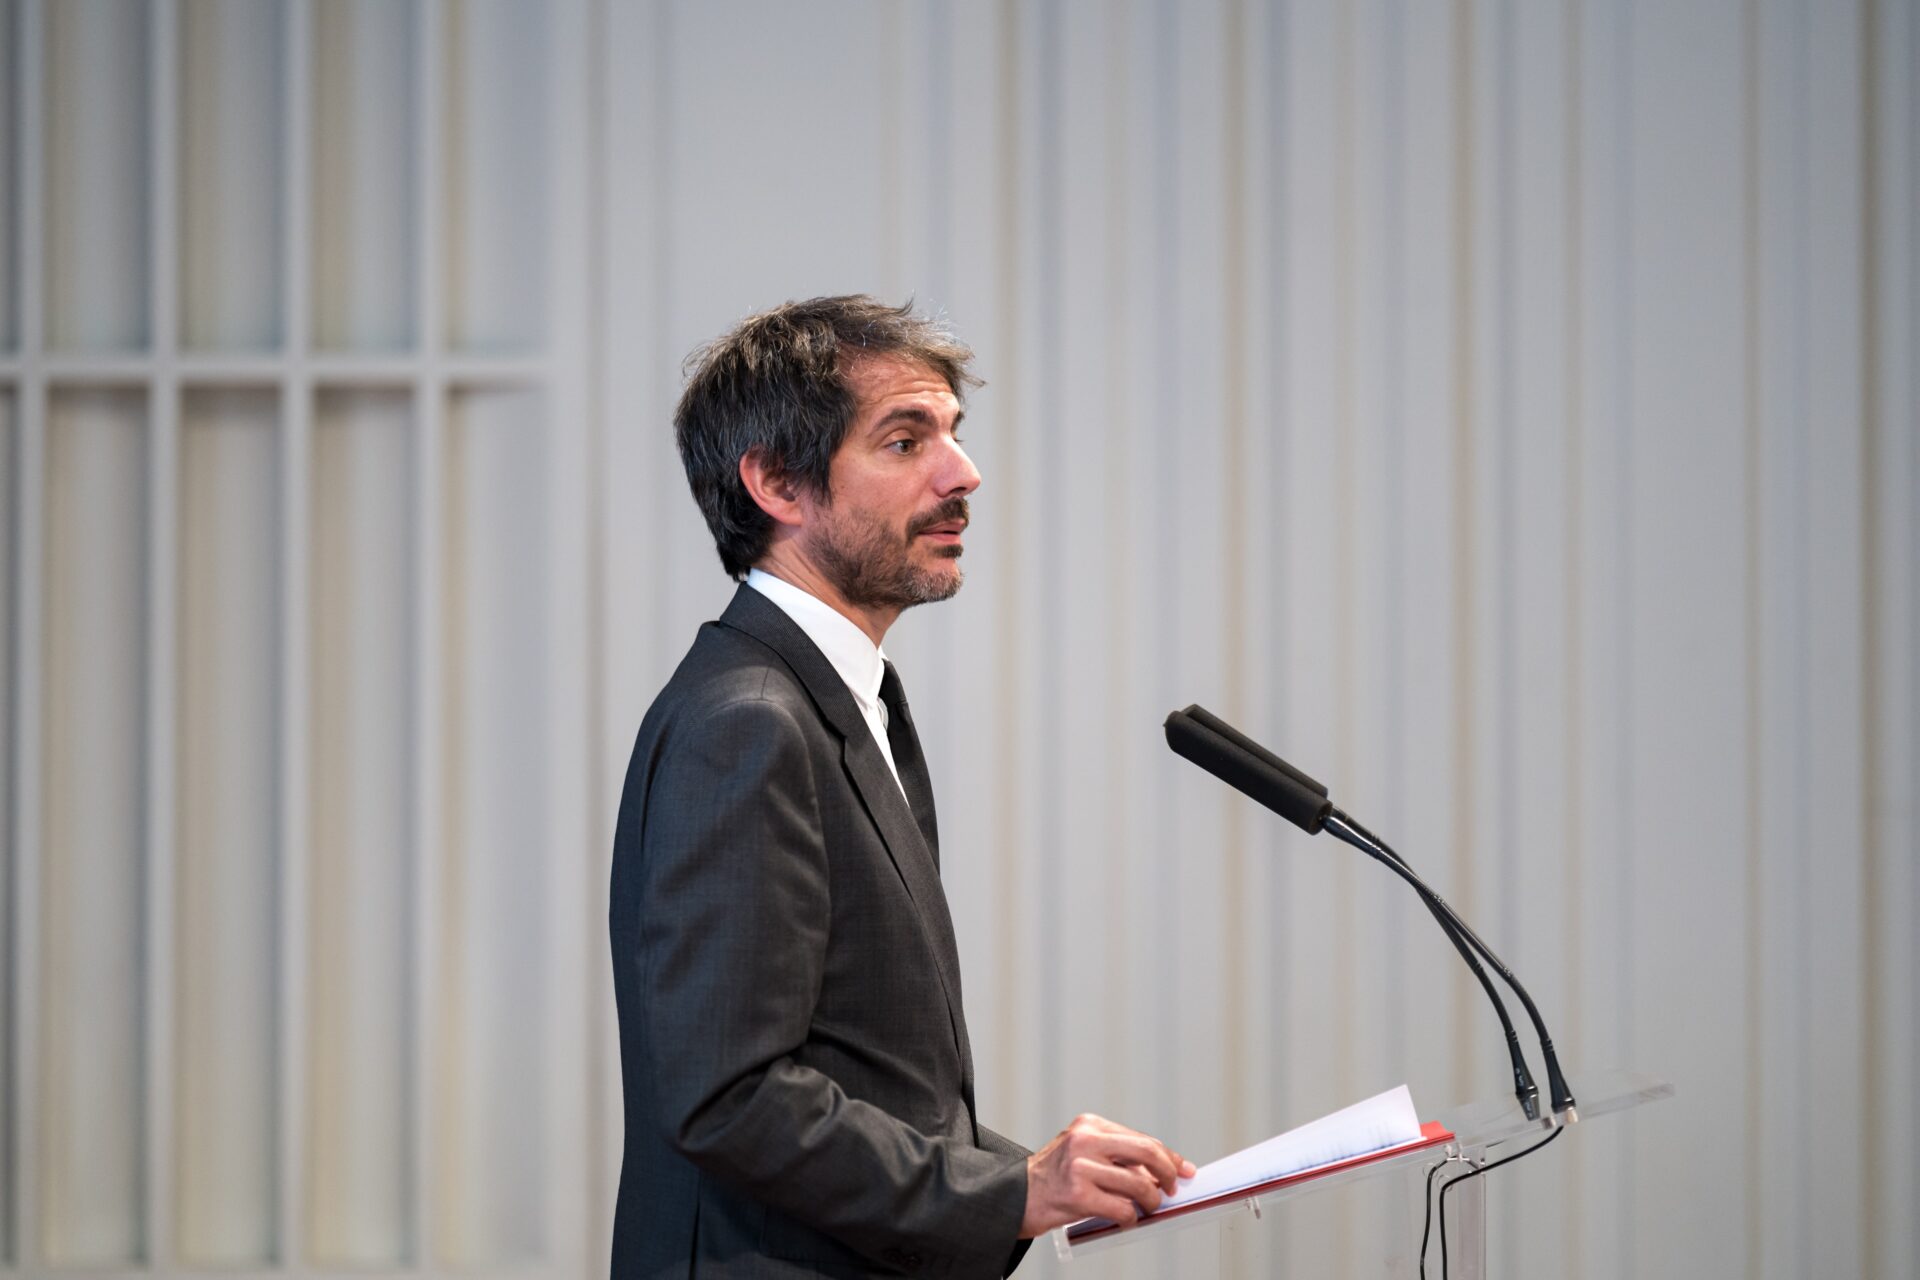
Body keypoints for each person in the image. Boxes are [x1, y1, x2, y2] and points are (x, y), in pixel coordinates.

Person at [609, 296, 1193, 1279]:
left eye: (953, 434)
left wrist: (1040, 1179)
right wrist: (1010, 1192)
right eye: (905, 440)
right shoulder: (748, 721)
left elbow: (861, 1072)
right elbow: (729, 1095)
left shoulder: (838, 696)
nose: (963, 474)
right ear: (777, 482)